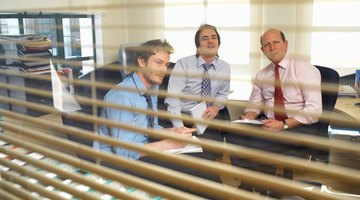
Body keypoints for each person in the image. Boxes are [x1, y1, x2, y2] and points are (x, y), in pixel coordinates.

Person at [93, 39, 221, 197]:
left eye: (166, 64)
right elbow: (124, 153)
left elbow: (149, 127)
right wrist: (168, 144)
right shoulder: (120, 97)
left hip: (142, 150)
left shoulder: (151, 88)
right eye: (158, 63)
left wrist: (172, 130)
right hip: (118, 163)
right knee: (196, 171)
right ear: (141, 62)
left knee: (205, 160)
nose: (164, 70)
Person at [225, 28, 322, 196]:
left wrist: (283, 124)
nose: (272, 47)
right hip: (270, 123)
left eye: (276, 42)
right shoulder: (262, 74)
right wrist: (250, 115)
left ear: (285, 44)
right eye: (267, 44)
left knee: (259, 144)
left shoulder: (305, 69)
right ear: (262, 50)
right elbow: (255, 103)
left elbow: (314, 110)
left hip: (297, 125)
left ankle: (266, 190)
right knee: (233, 133)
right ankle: (249, 182)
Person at [164, 24, 231, 150]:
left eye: (213, 37)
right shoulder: (184, 64)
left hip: (205, 118)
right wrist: (179, 128)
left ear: (218, 43)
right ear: (198, 46)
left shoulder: (225, 67)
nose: (210, 41)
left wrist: (216, 107)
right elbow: (173, 98)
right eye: (205, 38)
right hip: (183, 116)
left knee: (213, 149)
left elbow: (222, 94)